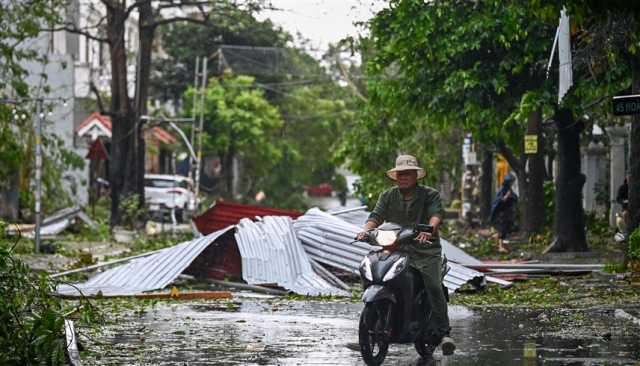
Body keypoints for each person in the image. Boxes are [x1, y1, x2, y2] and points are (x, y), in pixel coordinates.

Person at [356, 154, 455, 355]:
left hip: (425, 250)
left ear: (416, 175)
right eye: (401, 174)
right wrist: (366, 230)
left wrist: (429, 229)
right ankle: (371, 325)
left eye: (408, 174)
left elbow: (436, 215)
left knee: (433, 285)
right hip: (396, 248)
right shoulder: (388, 195)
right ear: (396, 176)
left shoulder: (430, 195)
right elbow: (375, 216)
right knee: (373, 271)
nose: (404, 177)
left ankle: (444, 332)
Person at [489, 174, 518, 253]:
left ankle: (497, 241)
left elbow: (514, 197)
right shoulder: (503, 190)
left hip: (507, 213)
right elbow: (499, 201)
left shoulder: (509, 189)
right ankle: (500, 246)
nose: (512, 183)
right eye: (511, 181)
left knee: (506, 229)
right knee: (502, 230)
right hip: (502, 214)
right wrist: (506, 197)